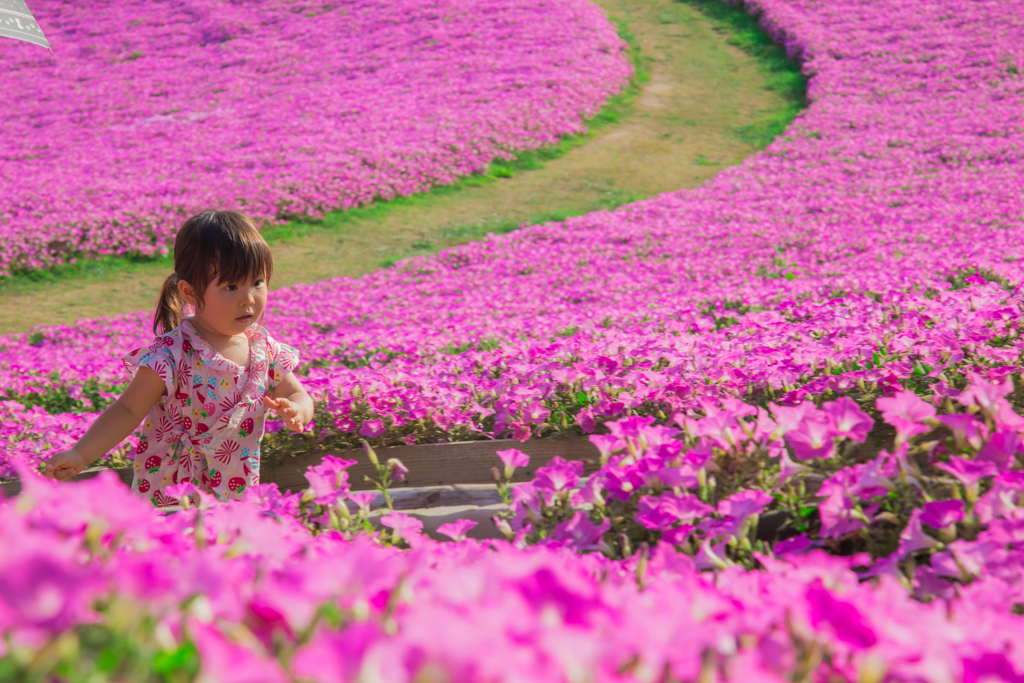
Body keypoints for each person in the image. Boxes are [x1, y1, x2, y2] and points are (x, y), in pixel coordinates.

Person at [44, 210, 314, 506]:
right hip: (170, 489)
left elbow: (295, 392)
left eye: (258, 282)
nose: (248, 298)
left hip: (234, 486)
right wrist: (82, 453)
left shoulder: (263, 349)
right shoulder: (171, 354)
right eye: (231, 286)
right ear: (190, 292)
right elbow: (127, 410)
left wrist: (297, 410)